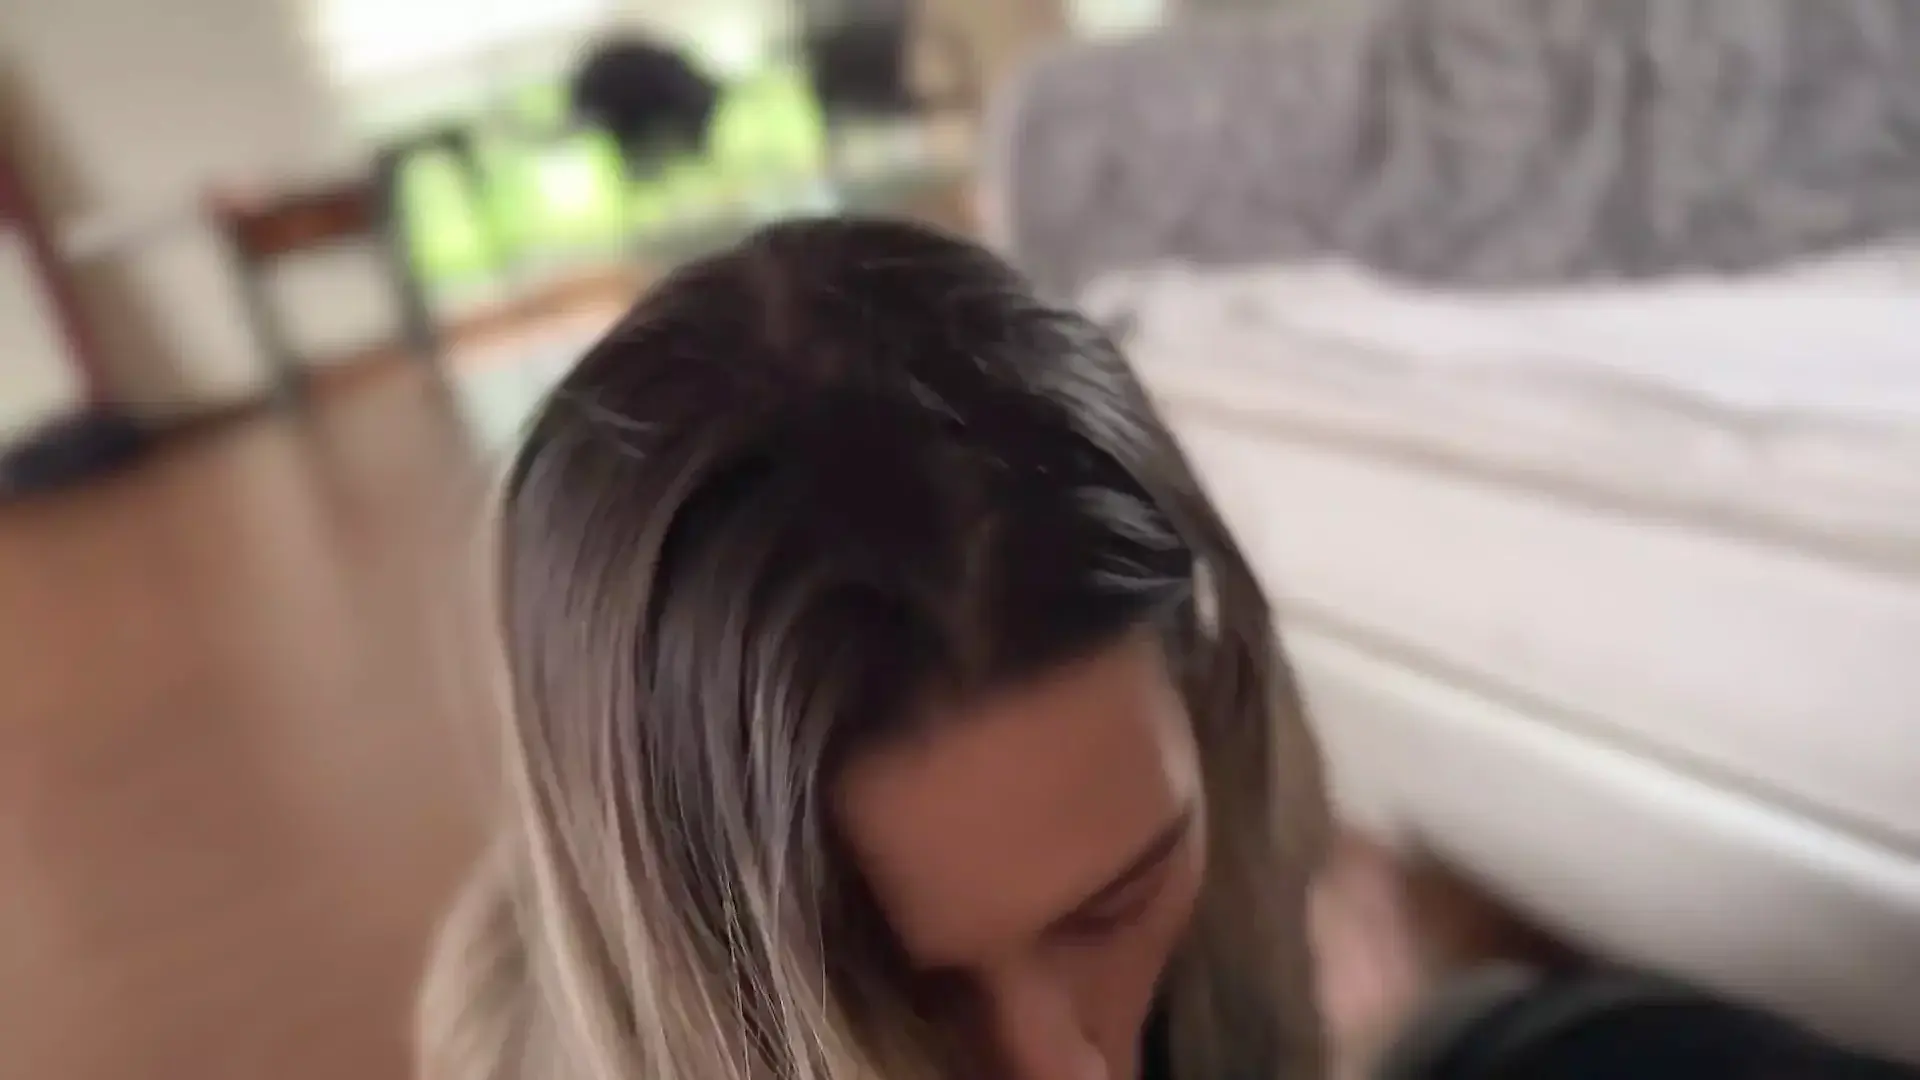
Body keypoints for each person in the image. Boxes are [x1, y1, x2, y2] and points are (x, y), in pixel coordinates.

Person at [416, 217, 1917, 1080]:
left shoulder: (1248, 819)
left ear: (1209, 687)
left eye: (1113, 902)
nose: (1067, 1067)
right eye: (919, 997)